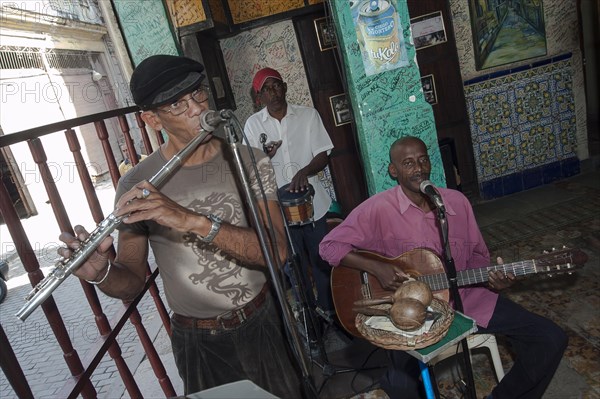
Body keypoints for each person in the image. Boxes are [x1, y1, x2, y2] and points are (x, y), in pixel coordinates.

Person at [58, 55, 301, 397]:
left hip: (262, 321)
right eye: (177, 103)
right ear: (151, 119)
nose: (196, 109)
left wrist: (191, 220)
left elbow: (277, 252)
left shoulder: (249, 161)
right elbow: (129, 281)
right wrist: (101, 273)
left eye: (198, 94)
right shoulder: (137, 184)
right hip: (199, 340)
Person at [319, 136, 567, 399]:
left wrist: (493, 280)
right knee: (403, 386)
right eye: (408, 163)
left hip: (468, 300)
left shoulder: (456, 203)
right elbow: (328, 247)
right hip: (411, 315)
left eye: (423, 159)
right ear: (394, 171)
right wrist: (377, 268)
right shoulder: (379, 208)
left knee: (550, 339)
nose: (418, 168)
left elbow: (478, 258)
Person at [244, 67, 336, 318]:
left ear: (284, 87)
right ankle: (309, 315)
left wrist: (304, 171)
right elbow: (249, 166)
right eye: (266, 89)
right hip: (278, 211)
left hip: (313, 204)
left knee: (321, 260)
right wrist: (265, 156)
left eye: (276, 86)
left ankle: (328, 309)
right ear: (258, 98)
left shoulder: (308, 116)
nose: (273, 92)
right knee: (292, 265)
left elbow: (322, 154)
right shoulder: (252, 125)